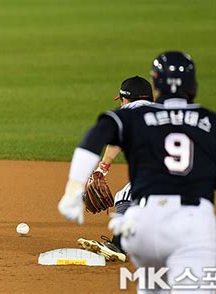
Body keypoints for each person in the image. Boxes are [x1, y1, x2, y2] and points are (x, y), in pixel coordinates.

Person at [58, 51, 216, 291]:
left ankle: (119, 241)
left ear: (156, 84)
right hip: (193, 224)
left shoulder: (137, 115)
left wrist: (76, 185)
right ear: (193, 85)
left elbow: (100, 132)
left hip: (146, 223)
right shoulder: (213, 122)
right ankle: (119, 241)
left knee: (127, 196)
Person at [75, 76, 154, 263]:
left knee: (125, 196)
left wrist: (101, 169)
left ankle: (117, 245)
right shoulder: (164, 110)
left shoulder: (127, 113)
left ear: (125, 99)